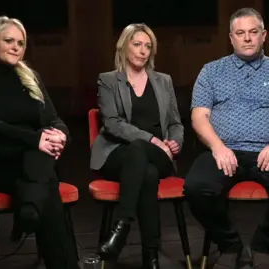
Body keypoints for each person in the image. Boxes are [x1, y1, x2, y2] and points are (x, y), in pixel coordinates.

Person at [184, 8, 269, 269]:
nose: (247, 38)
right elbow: (199, 117)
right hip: (224, 151)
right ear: (231, 38)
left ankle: (262, 244)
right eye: (240, 33)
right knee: (196, 187)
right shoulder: (211, 71)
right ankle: (229, 244)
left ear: (263, 35)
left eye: (253, 32)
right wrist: (218, 147)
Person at [0, 16, 79, 268]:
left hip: (29, 161)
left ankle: (30, 211)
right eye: (8, 41)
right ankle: (34, 217)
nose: (16, 47)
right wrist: (36, 139)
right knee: (47, 178)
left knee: (41, 165)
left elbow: (54, 119)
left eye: (20, 43)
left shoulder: (29, 76)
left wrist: (60, 135)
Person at [90, 23, 183, 268]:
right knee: (146, 169)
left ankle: (121, 229)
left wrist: (175, 142)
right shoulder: (108, 80)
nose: (143, 51)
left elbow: (175, 123)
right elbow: (112, 123)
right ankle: (150, 257)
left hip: (160, 154)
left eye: (148, 46)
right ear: (124, 46)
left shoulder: (163, 81)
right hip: (117, 153)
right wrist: (151, 139)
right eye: (137, 44)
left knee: (144, 157)